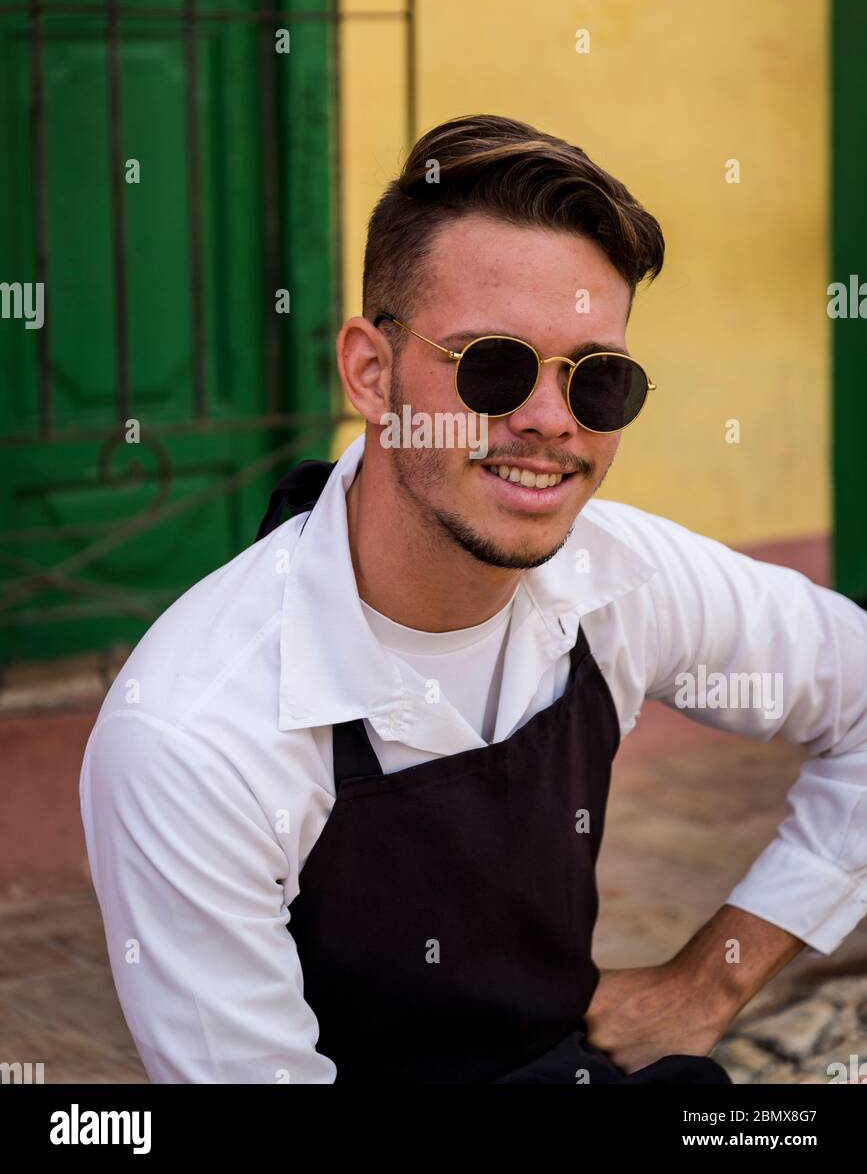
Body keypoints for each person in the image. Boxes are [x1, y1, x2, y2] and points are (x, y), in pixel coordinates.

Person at [80, 114, 867, 1084]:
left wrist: (711, 980)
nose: (548, 420)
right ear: (372, 373)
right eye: (493, 365)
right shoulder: (195, 732)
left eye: (597, 379)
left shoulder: (619, 579)